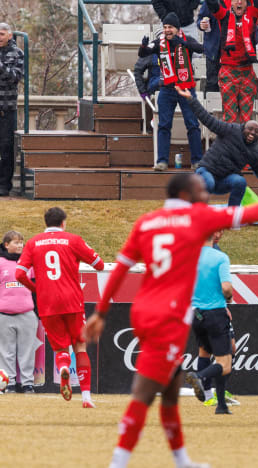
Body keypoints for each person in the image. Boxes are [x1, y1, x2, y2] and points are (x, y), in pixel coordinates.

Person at [83, 173, 258, 468]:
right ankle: (117, 463)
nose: (207, 192)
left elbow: (120, 269)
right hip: (168, 315)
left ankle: (182, 460)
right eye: (201, 188)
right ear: (186, 193)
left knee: (171, 391)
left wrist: (101, 312)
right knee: (144, 394)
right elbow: (256, 212)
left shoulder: (147, 222)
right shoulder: (197, 218)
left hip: (147, 309)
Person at [15, 207, 104, 407]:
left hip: (48, 303)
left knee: (60, 349)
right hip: (72, 301)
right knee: (80, 347)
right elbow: (98, 264)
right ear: (63, 222)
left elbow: (19, 274)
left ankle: (63, 367)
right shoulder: (73, 240)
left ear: (45, 223)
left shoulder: (33, 242)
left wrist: (36, 289)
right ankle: (87, 398)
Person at [177, 86, 258, 206]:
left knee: (240, 181)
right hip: (206, 173)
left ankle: (232, 214)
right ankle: (196, 209)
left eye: (256, 131)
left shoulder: (254, 152)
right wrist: (191, 99)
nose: (252, 133)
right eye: (250, 129)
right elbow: (207, 119)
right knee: (209, 182)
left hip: (224, 181)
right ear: (243, 128)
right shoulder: (230, 130)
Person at [139, 13, 204, 171]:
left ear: (177, 29)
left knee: (192, 124)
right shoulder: (159, 43)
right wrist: (143, 47)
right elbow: (143, 54)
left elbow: (201, 49)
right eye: (165, 27)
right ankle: (161, 161)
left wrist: (183, 43)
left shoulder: (186, 40)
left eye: (170, 27)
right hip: (167, 89)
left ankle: (197, 161)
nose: (167, 30)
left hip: (186, 88)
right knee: (164, 125)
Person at [182, 230, 236, 415]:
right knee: (225, 362)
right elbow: (226, 288)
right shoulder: (220, 257)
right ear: (213, 236)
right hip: (215, 313)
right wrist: (228, 296)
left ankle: (221, 405)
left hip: (196, 315)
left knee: (205, 353)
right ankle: (199, 376)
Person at [206, 0, 258, 124]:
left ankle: (246, 143)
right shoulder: (224, 15)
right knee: (229, 117)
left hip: (247, 71)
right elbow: (212, 5)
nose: (239, 2)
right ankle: (230, 144)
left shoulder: (252, 13)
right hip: (228, 71)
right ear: (231, 3)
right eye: (235, 0)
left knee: (247, 119)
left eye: (242, 0)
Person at [0, 231, 36, 394]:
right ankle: (10, 383)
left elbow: (37, 287)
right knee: (6, 351)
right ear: (6, 245)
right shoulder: (0, 262)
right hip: (4, 315)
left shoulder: (28, 262)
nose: (20, 245)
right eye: (16, 242)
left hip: (27, 314)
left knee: (27, 351)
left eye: (21, 242)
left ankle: (28, 383)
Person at [0, 23, 24, 197]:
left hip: (6, 109)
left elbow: (14, 77)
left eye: (1, 34)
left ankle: (3, 186)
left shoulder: (17, 54)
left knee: (6, 148)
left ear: (9, 35)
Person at [196, 0, 221, 92]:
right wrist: (201, 24)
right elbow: (200, 20)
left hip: (232, 50)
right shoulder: (209, 2)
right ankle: (211, 106)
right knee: (212, 82)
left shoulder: (238, 3)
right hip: (213, 50)